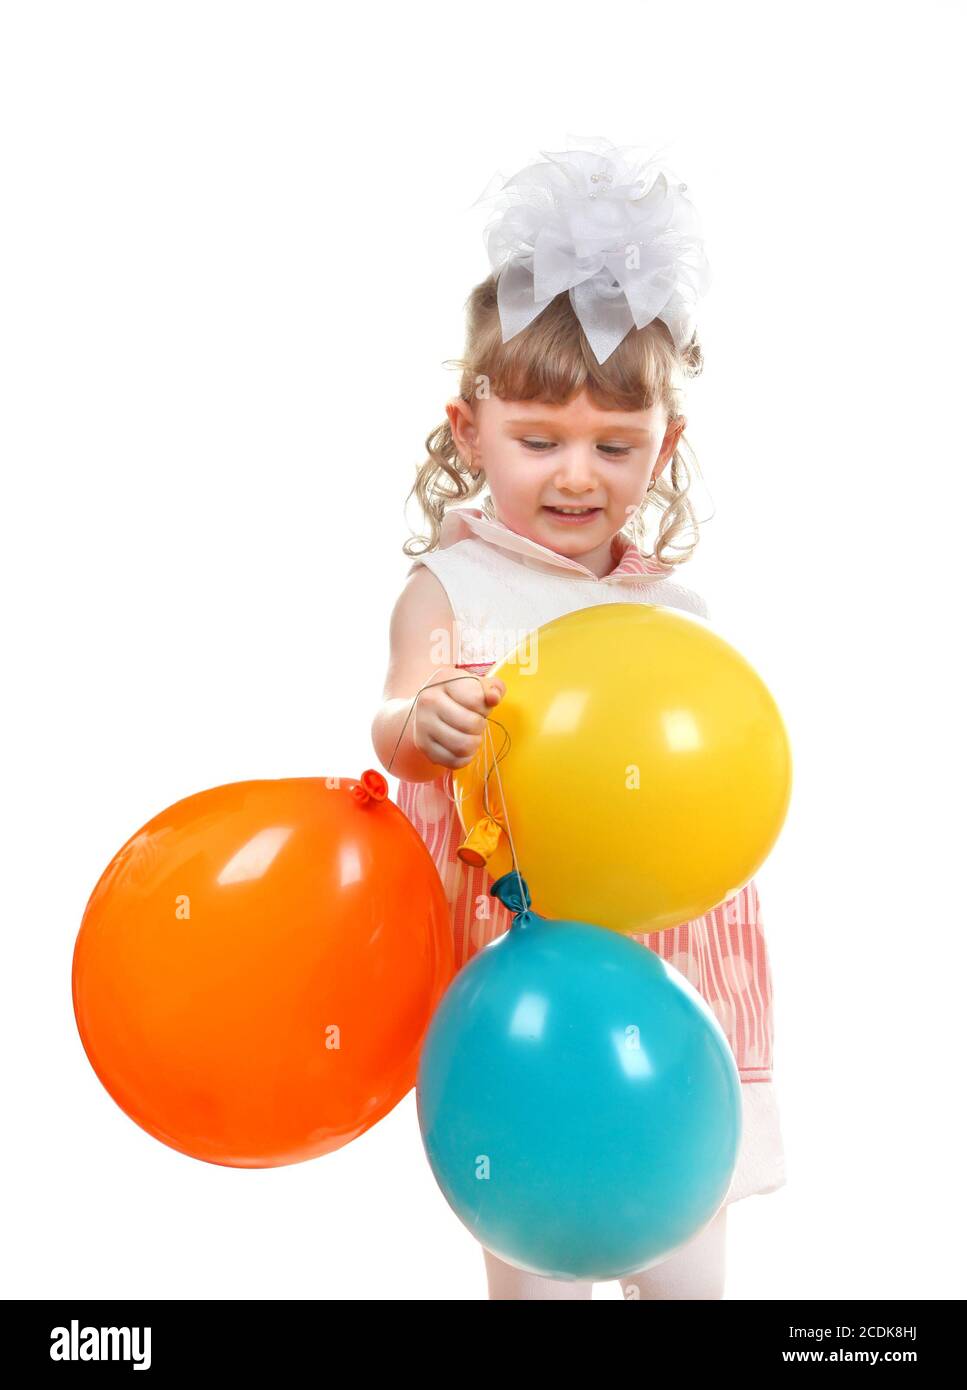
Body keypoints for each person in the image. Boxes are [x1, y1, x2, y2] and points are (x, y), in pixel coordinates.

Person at [371, 135, 786, 1300]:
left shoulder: (670, 611)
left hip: (663, 981)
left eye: (615, 446)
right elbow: (394, 714)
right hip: (527, 987)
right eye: (536, 440)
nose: (575, 476)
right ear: (469, 433)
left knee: (686, 1247)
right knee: (541, 1247)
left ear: (667, 446)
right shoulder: (454, 588)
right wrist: (426, 720)